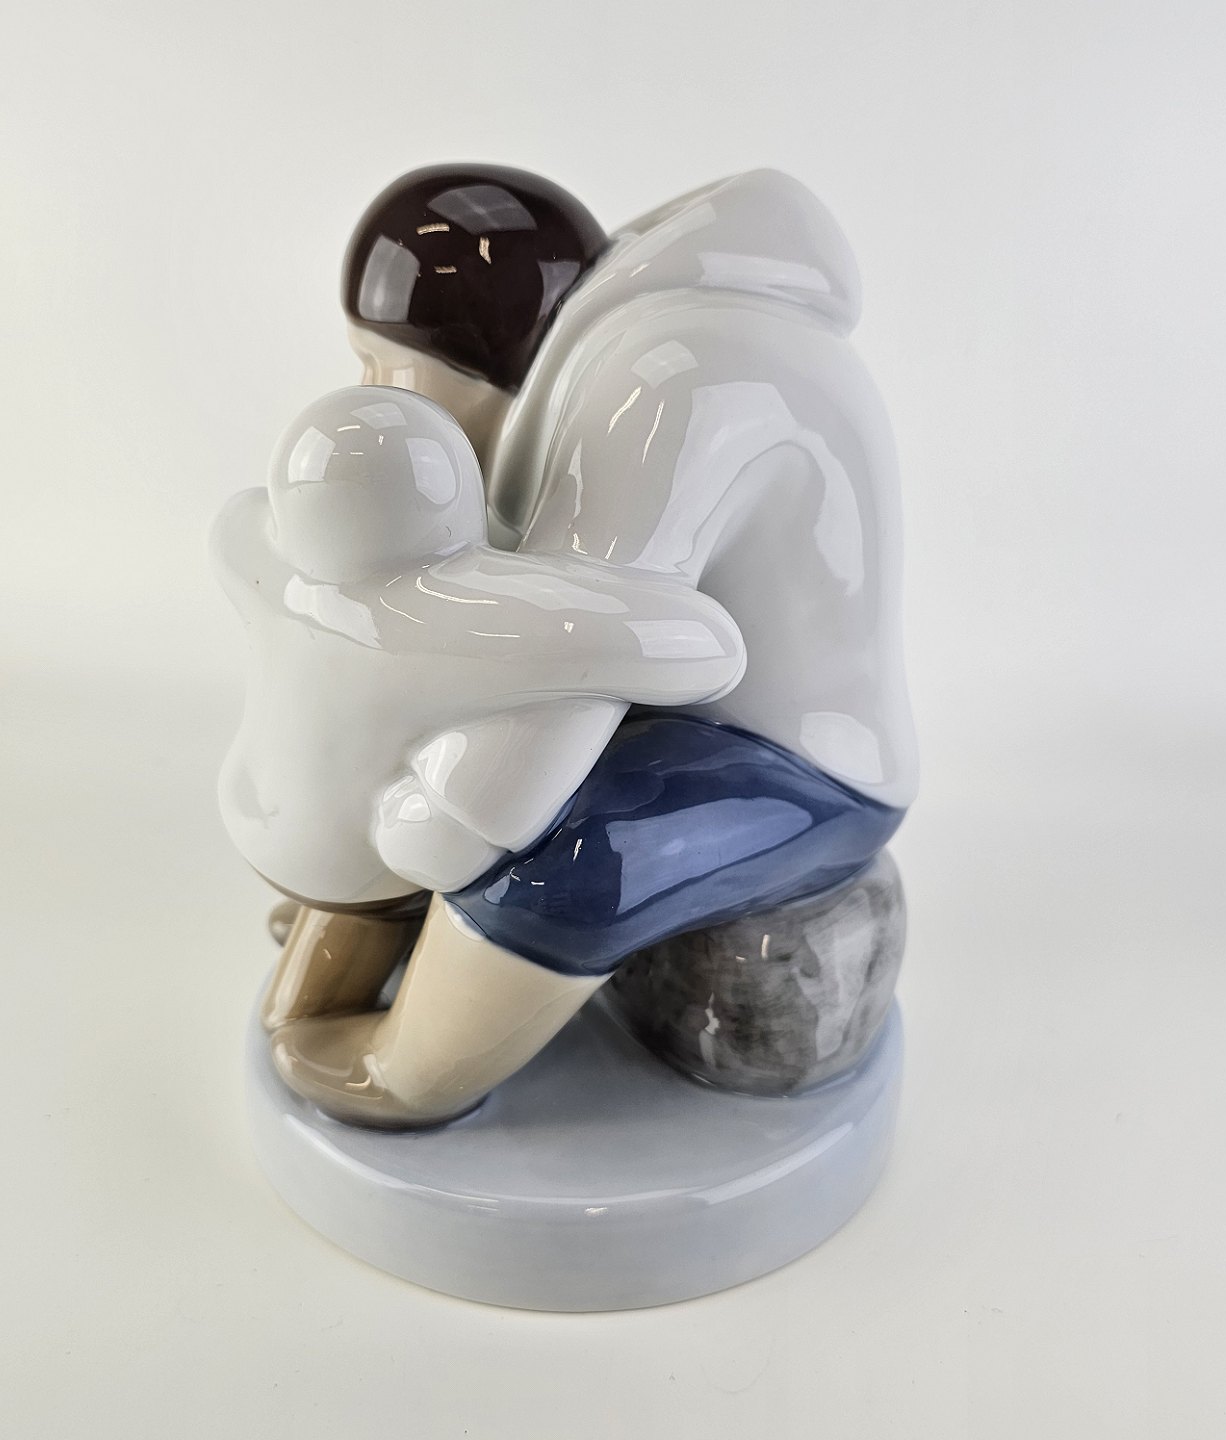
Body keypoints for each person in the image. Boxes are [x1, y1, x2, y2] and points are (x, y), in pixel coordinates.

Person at [253, 165, 917, 1126]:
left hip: (809, 764)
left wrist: (443, 834)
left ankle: (409, 1072)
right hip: (673, 700)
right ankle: (397, 936)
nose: (368, 392)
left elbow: (572, 664)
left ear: (467, 348)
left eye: (379, 363)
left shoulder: (663, 379)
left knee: (566, 847)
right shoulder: (608, 360)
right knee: (432, 731)